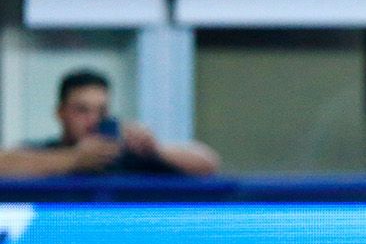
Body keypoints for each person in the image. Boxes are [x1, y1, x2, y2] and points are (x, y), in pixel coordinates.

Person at [0, 70, 220, 177]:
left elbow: (207, 163)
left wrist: (155, 150)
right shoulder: (44, 154)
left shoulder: (127, 157)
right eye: (82, 110)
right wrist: (74, 159)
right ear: (61, 112)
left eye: (101, 111)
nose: (93, 120)